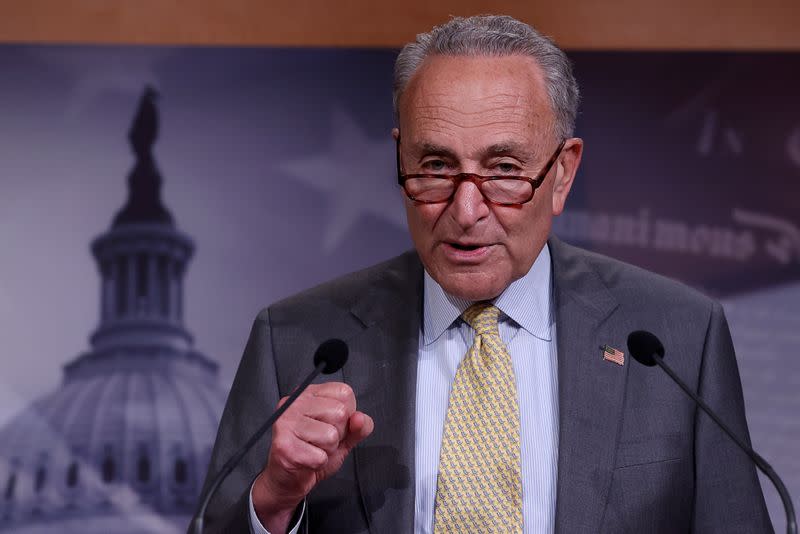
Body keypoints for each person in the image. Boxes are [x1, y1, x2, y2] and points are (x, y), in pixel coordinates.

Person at [197, 15, 772, 534]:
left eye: (503, 169)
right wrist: (271, 504)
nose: (466, 211)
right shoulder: (296, 340)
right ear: (401, 160)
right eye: (436, 166)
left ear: (563, 173)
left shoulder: (676, 337)